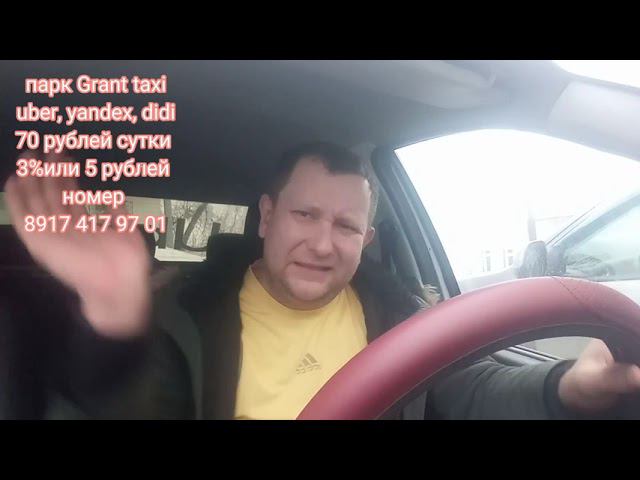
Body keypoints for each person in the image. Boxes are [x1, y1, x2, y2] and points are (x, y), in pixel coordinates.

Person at [4, 143, 640, 419]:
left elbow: (473, 388)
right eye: (304, 214)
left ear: (367, 239)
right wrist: (115, 320)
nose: (322, 242)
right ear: (267, 217)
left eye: (345, 225)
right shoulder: (185, 318)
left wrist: (569, 387)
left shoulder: (398, 312)